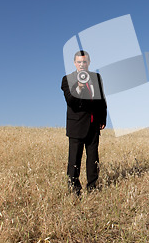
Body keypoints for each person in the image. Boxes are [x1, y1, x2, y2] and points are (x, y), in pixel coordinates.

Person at [61, 50, 107, 195]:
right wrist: (79, 87)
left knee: (93, 158)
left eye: (84, 62)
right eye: (79, 62)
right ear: (74, 63)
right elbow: (70, 101)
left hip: (93, 125)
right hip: (77, 125)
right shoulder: (67, 79)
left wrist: (102, 118)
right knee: (74, 158)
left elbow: (101, 100)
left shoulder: (96, 77)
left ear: (89, 62)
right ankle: (74, 189)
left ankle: (92, 187)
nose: (82, 64)